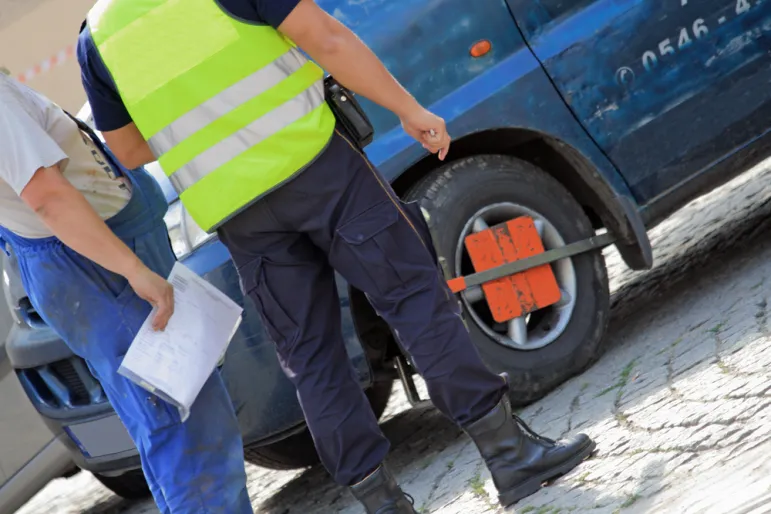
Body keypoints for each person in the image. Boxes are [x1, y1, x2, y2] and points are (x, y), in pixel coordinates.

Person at [76, 0, 597, 511]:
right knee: (414, 299)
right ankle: (511, 457)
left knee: (312, 358)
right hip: (318, 168)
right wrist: (408, 109)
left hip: (241, 216)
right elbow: (326, 38)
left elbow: (129, 150)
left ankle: (381, 504)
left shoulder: (95, 38)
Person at [0, 72, 253, 512]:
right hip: (98, 268)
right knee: (184, 429)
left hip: (88, 262)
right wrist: (132, 269)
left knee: (176, 424)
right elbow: (48, 198)